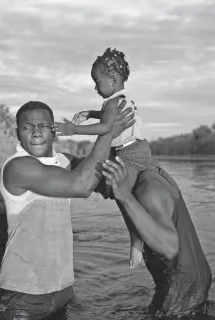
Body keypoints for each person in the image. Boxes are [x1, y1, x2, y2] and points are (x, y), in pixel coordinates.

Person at [0, 100, 135, 320]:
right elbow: (81, 185)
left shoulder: (64, 161)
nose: (36, 133)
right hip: (23, 297)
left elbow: (103, 174)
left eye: (43, 126)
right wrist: (107, 132)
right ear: (17, 133)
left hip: (62, 291)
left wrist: (123, 137)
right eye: (27, 127)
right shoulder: (17, 167)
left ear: (54, 130)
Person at [54, 47, 151, 268]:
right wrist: (90, 113)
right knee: (120, 190)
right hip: (132, 149)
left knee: (122, 194)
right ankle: (138, 236)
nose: (96, 88)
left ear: (113, 79)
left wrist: (73, 130)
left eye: (98, 82)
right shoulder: (117, 101)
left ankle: (137, 240)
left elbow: (107, 127)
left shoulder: (113, 103)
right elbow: (106, 116)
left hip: (130, 153)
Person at [99, 157, 212, 319]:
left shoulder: (148, 192)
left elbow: (170, 247)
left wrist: (125, 197)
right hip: (191, 278)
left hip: (180, 285)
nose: (100, 194)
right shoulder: (148, 172)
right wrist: (135, 243)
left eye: (97, 187)